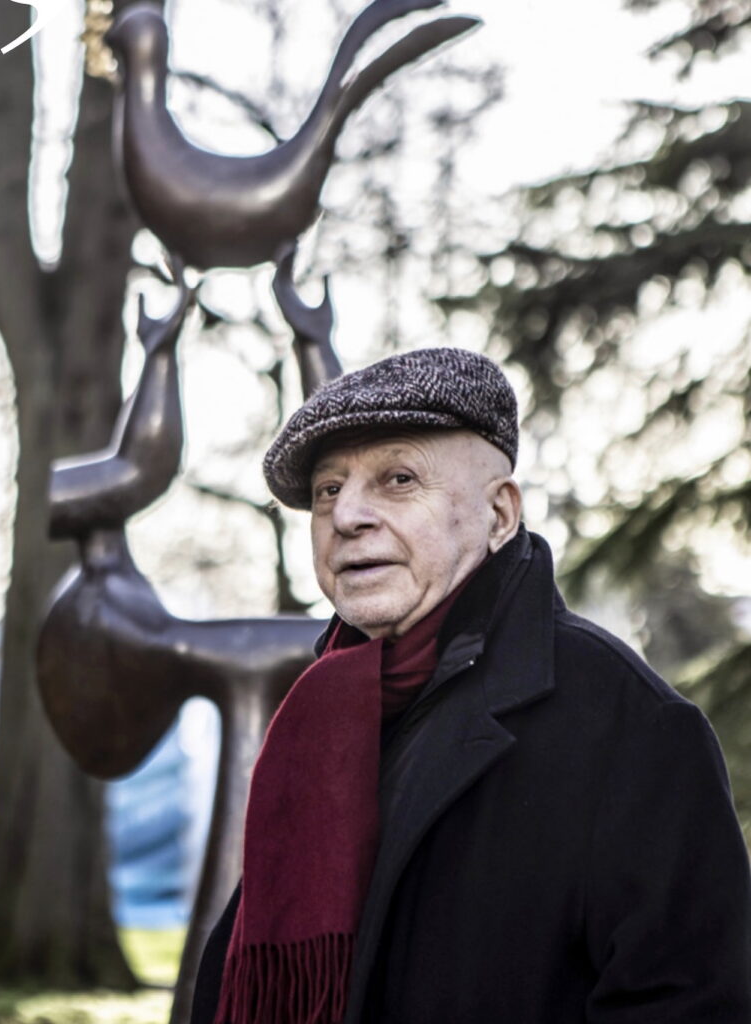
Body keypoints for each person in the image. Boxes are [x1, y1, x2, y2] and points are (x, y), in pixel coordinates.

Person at [191, 347, 751, 1024]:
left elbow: (689, 1003)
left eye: (397, 478)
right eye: (328, 490)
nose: (347, 517)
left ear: (501, 515)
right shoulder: (320, 717)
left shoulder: (631, 725)